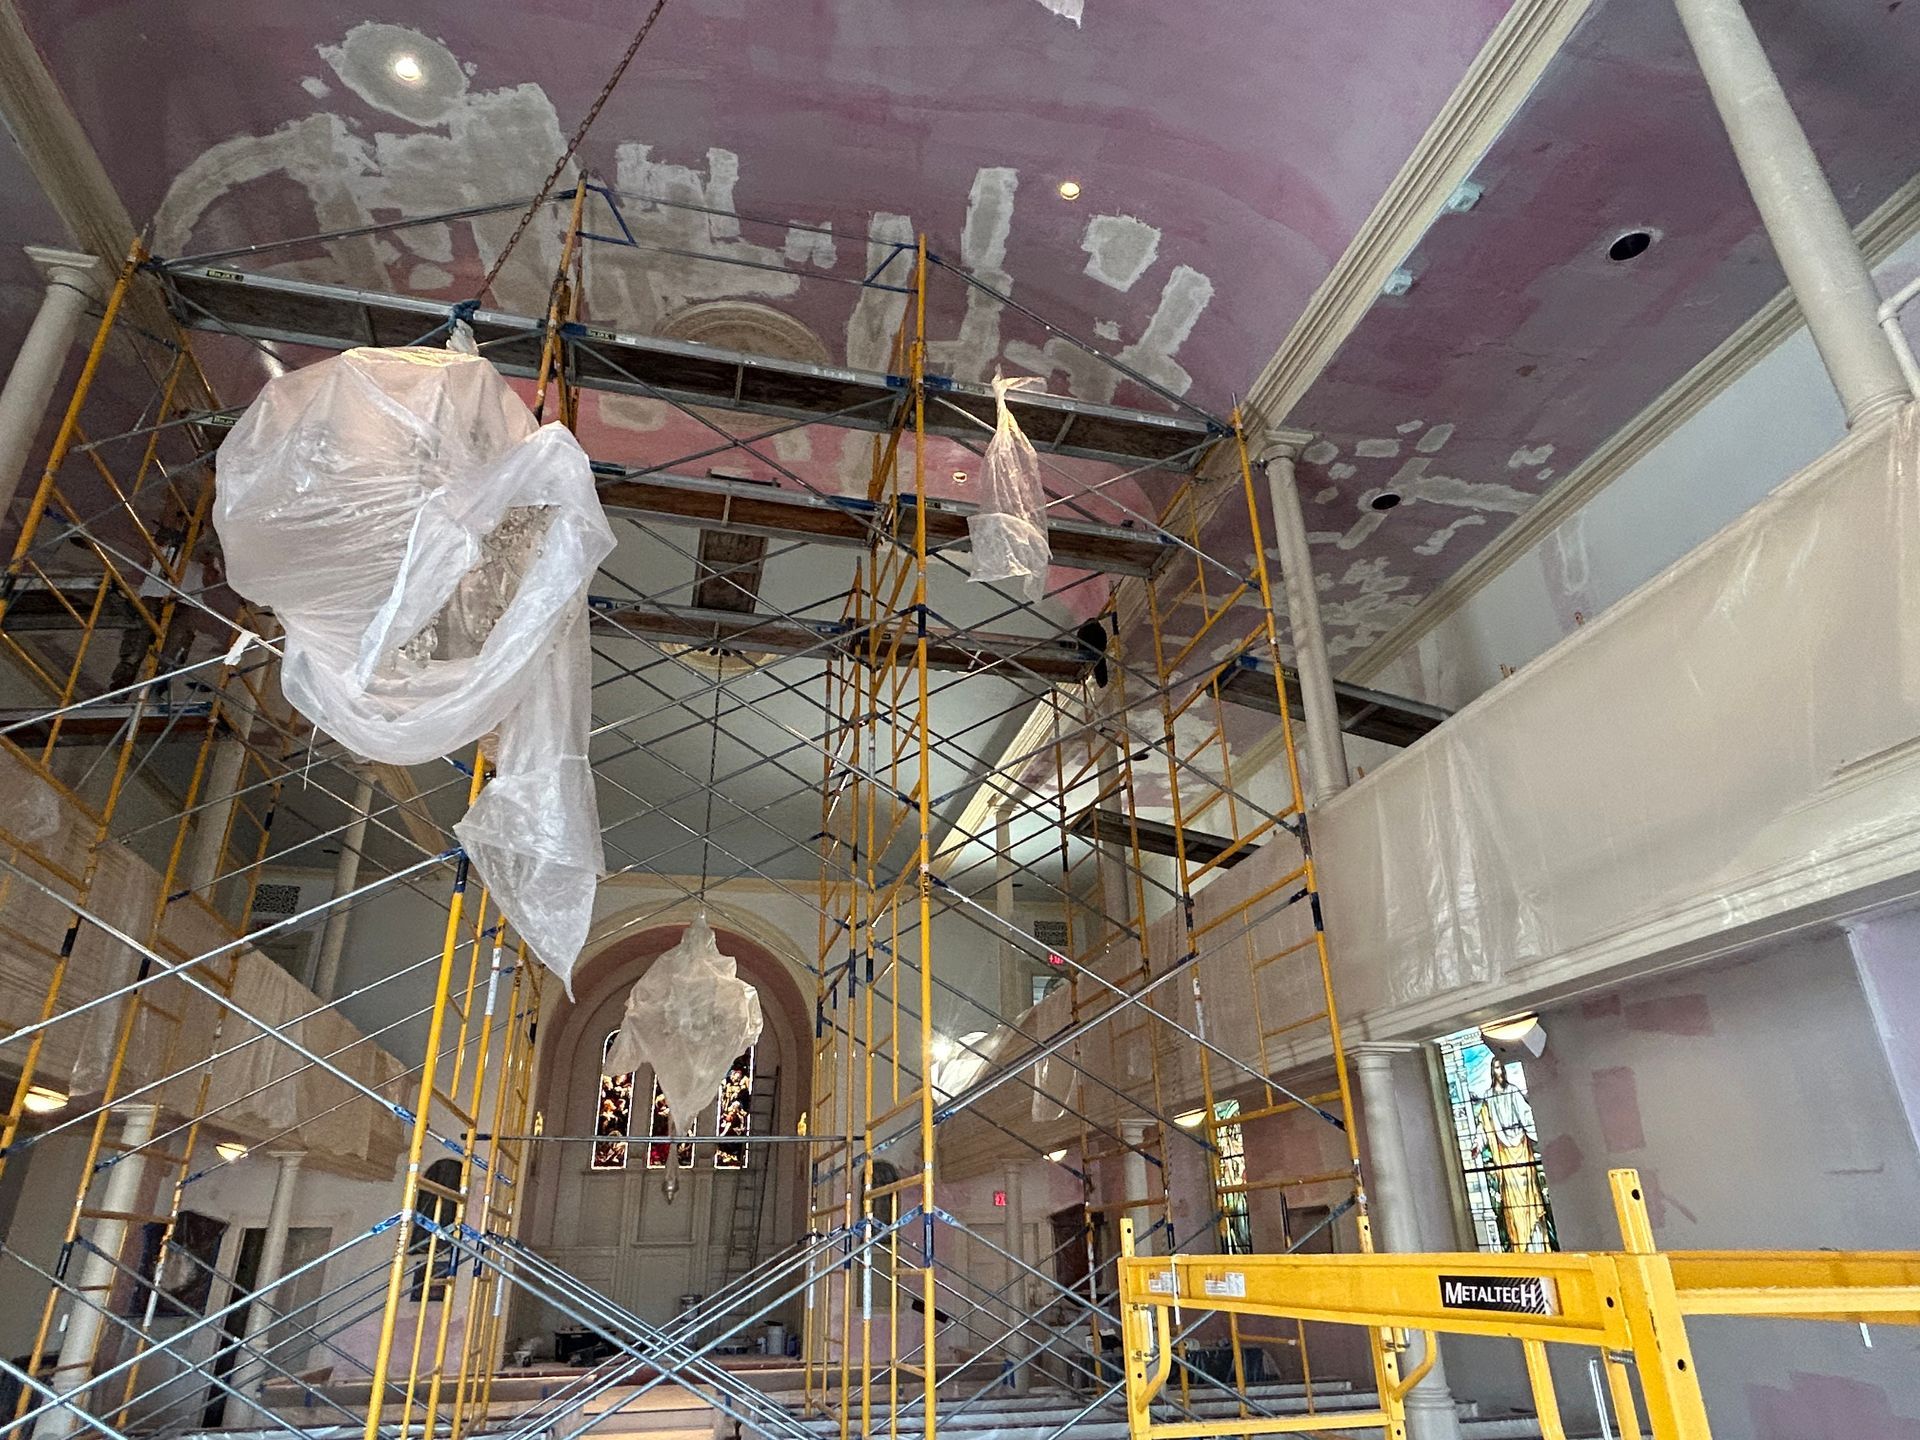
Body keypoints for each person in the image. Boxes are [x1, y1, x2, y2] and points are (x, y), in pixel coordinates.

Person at [1473, 1053, 1555, 1251]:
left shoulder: (1514, 1091)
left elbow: (1527, 1117)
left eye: (1501, 1067)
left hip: (1521, 1149)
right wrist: (1477, 1143)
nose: (1499, 1072)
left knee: (1530, 1196)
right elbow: (1485, 1125)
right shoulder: (1488, 1097)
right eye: (1496, 1068)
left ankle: (1538, 1245)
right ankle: (1519, 1245)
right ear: (1492, 1072)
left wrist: (1545, 1142)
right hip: (1503, 1154)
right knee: (1511, 1198)